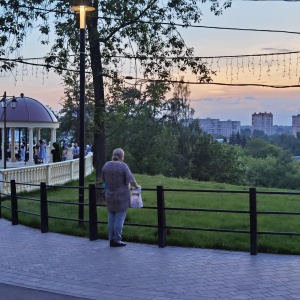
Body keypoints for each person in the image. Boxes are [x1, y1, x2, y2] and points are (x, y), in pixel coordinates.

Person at [102, 148, 140, 247]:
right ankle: (117, 240)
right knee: (119, 218)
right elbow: (131, 179)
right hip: (122, 197)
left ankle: (111, 239)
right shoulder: (123, 166)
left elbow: (103, 180)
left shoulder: (106, 165)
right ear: (121, 156)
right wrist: (137, 187)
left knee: (111, 217)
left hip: (109, 195)